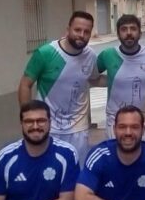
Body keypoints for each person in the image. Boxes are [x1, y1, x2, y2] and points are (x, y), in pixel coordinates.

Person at [18, 10, 99, 163]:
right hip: (49, 127)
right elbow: (25, 84)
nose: (81, 35)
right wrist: (28, 117)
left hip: (78, 128)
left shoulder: (91, 56)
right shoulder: (46, 53)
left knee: (77, 170)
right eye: (77, 30)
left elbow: (95, 79)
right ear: (68, 30)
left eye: (86, 32)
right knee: (48, 170)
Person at [95, 15, 145, 143]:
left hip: (144, 120)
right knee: (115, 155)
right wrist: (111, 81)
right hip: (115, 120)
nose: (129, 33)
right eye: (124, 29)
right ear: (118, 34)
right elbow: (91, 76)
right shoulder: (107, 55)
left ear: (140, 33)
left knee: (144, 155)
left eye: (133, 29)